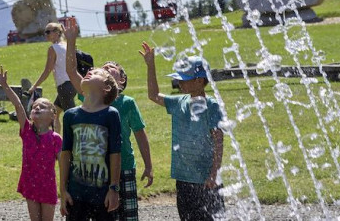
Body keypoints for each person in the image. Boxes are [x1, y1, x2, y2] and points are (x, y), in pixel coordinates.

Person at [62, 25, 153, 221]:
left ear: (121, 82)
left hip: (124, 165)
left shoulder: (127, 103)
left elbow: (140, 134)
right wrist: (71, 41)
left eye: (113, 68)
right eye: (103, 68)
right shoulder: (90, 96)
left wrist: (148, 165)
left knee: (127, 215)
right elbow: (71, 70)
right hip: (97, 170)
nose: (106, 67)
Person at [139, 42, 224, 221]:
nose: (179, 82)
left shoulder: (212, 106)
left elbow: (218, 140)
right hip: (183, 178)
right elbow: (153, 95)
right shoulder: (179, 102)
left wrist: (214, 173)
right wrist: (150, 65)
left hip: (206, 180)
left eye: (184, 78)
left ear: (200, 81)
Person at [0, 66, 62, 221]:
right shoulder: (27, 131)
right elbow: (18, 105)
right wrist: (4, 85)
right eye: (35, 106)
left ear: (52, 115)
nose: (37, 108)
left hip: (48, 186)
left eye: (42, 106)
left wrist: (66, 188)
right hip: (30, 183)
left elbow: (63, 165)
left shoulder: (56, 138)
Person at [59, 67, 123, 221]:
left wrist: (114, 188)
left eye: (96, 73)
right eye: (90, 71)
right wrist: (63, 190)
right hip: (75, 194)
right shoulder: (70, 115)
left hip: (103, 195)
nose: (89, 72)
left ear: (106, 88)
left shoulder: (111, 114)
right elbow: (65, 154)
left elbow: (116, 153)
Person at [29, 22, 77, 132]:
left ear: (57, 32)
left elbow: (47, 71)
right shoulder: (68, 45)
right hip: (73, 84)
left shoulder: (53, 48)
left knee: (72, 117)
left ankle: (74, 143)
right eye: (45, 32)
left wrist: (34, 86)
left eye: (48, 32)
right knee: (55, 114)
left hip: (64, 86)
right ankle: (57, 142)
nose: (46, 35)